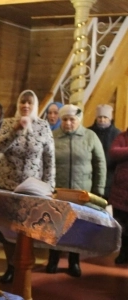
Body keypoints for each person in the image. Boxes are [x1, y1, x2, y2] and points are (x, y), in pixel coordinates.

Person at [0, 89, 55, 283]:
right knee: (5, 229)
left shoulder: (43, 126)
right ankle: (11, 265)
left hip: (32, 188)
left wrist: (50, 186)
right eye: (22, 102)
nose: (25, 106)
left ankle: (23, 265)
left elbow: (49, 158)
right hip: (7, 185)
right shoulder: (8, 123)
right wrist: (16, 130)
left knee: (25, 229)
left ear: (35, 105)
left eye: (29, 103)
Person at [47, 104, 106, 277]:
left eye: (72, 120)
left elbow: (100, 163)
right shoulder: (53, 136)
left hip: (82, 193)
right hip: (58, 191)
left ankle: (74, 261)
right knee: (55, 227)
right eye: (64, 119)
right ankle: (53, 259)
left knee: (77, 227)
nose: (68, 123)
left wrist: (98, 189)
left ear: (78, 120)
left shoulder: (90, 136)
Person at [88, 104, 120, 199]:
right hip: (92, 173)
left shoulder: (117, 134)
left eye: (105, 117)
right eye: (100, 117)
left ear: (110, 118)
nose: (102, 120)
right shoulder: (89, 132)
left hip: (110, 175)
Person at [109, 129, 128, 264]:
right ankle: (123, 252)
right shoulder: (123, 136)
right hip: (122, 188)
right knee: (122, 224)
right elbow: (114, 152)